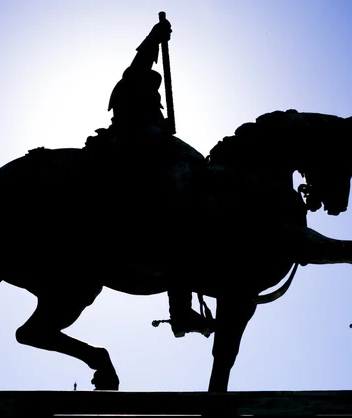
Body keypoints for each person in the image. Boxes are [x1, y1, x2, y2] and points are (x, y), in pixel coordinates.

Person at [106, 17, 215, 338]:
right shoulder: (133, 79)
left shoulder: (147, 96)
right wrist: (154, 37)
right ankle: (180, 312)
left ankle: (182, 307)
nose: (155, 87)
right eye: (152, 84)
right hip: (133, 140)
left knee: (192, 164)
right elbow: (141, 58)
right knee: (193, 165)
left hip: (148, 138)